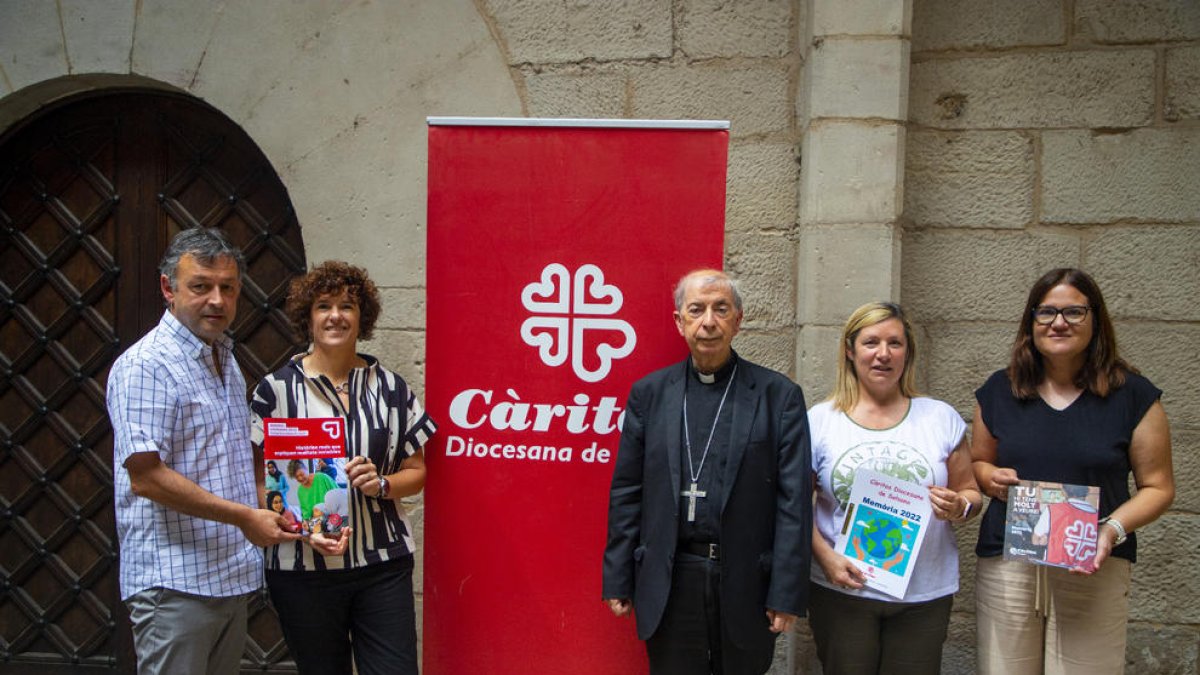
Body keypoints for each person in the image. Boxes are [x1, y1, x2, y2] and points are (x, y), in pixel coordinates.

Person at [107, 227, 301, 674]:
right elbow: (146, 477)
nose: (217, 300)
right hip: (174, 583)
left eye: (227, 288)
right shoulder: (146, 365)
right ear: (168, 288)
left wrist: (287, 510)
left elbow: (227, 464)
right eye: (201, 286)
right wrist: (245, 517)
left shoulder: (224, 358)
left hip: (226, 576)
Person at [602, 269, 811, 675]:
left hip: (747, 581)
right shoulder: (649, 394)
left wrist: (786, 592)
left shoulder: (778, 396)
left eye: (721, 309)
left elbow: (794, 502)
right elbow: (627, 490)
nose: (709, 322)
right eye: (696, 310)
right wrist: (618, 577)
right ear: (679, 321)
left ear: (739, 319)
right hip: (671, 578)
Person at [971, 268, 1174, 674]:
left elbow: (1159, 487)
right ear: (1031, 322)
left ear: (1095, 320)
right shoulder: (999, 390)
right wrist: (990, 478)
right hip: (1011, 561)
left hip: (1092, 559)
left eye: (1074, 312)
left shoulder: (1133, 395)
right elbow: (979, 462)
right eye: (1046, 312)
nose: (1059, 323)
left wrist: (1110, 531)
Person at [250, 260, 435, 675]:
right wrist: (301, 527)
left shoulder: (392, 389)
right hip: (302, 568)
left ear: (361, 317)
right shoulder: (275, 391)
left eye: (347, 305)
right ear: (308, 317)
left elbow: (417, 471)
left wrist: (382, 483)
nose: (335, 315)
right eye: (324, 306)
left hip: (381, 565)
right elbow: (260, 479)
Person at [807, 302, 982, 674]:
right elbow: (793, 505)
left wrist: (959, 506)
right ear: (850, 351)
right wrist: (825, 557)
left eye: (895, 343)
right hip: (843, 589)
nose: (883, 354)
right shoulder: (820, 421)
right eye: (871, 342)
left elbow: (970, 492)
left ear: (908, 352)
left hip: (922, 595)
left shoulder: (940, 417)